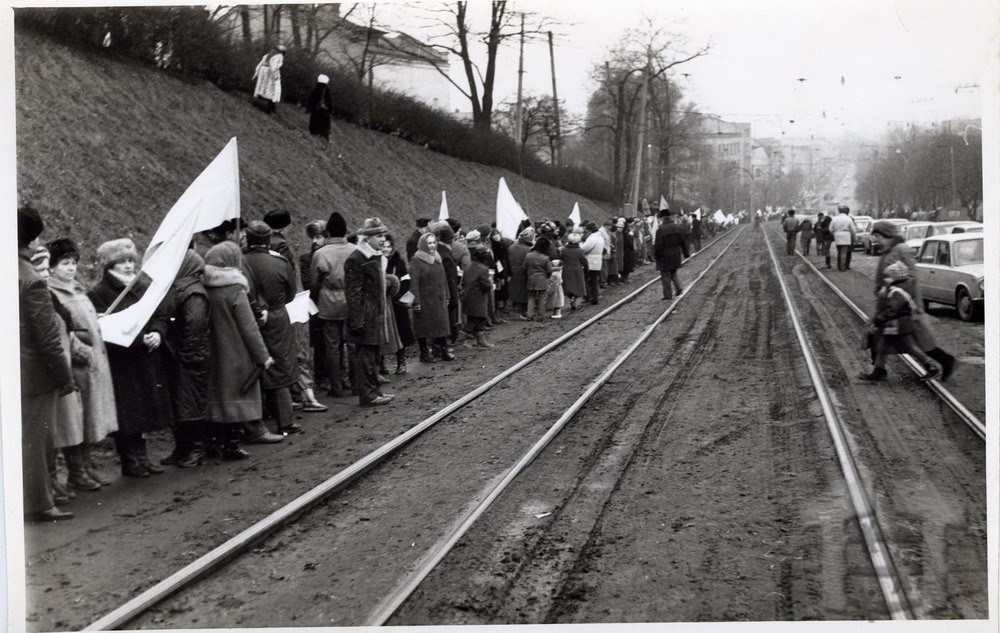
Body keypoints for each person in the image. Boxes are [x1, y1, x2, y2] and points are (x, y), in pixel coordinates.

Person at [88, 238, 175, 478]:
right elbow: (106, 328)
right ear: (108, 266)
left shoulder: (142, 287)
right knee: (128, 413)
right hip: (123, 361)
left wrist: (158, 332)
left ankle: (143, 457)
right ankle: (129, 460)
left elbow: (158, 313)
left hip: (146, 357)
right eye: (121, 262)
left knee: (145, 410)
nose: (128, 266)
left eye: (129, 261)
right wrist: (139, 339)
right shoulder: (99, 293)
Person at [19, 206, 76, 521]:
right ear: (31, 240)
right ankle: (40, 503)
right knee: (37, 439)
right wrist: (64, 377)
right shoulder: (31, 280)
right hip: (33, 374)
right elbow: (48, 338)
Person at [46, 238, 117, 487]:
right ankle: (77, 471)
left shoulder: (77, 289)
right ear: (52, 267)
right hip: (77, 364)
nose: (71, 268)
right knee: (74, 421)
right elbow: (62, 330)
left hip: (92, 364)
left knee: (89, 419)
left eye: (74, 262)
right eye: (65, 263)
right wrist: (82, 352)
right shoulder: (53, 293)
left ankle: (85, 467)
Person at [203, 242, 277, 459]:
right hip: (238, 353)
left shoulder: (206, 287)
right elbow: (249, 328)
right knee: (238, 399)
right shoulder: (235, 289)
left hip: (215, 353)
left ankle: (216, 443)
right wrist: (263, 356)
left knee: (219, 398)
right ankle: (232, 445)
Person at [870, 220, 956, 380]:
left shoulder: (901, 249)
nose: (875, 240)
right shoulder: (888, 250)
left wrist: (913, 303)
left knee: (921, 342)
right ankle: (878, 370)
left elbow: (912, 277)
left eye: (878, 236)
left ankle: (945, 361)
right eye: (874, 236)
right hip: (890, 302)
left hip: (904, 304)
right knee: (885, 338)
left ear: (887, 235)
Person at [243, 221, 302, 435]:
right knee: (280, 365)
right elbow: (291, 294)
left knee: (251, 365)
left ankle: (255, 418)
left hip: (246, 317)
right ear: (269, 239)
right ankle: (285, 420)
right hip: (277, 316)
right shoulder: (279, 262)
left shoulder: (240, 262)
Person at [159, 249, 212, 468]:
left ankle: (196, 449)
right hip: (180, 355)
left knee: (190, 404)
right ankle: (182, 447)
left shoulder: (193, 294)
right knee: (180, 404)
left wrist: (186, 356)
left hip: (189, 358)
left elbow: (195, 327)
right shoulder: (181, 288)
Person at [860, 262, 939, 382]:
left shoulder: (896, 292)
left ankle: (931, 366)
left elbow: (892, 309)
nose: (885, 279)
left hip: (899, 325)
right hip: (896, 326)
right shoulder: (897, 290)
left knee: (909, 347)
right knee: (883, 348)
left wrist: (878, 320)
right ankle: (878, 371)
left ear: (893, 277)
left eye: (887, 277)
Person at [345, 218, 395, 406]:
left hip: (376, 314)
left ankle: (375, 391)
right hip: (365, 316)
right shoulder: (357, 259)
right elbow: (353, 293)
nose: (383, 240)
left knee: (374, 355)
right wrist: (357, 320)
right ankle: (367, 395)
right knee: (365, 356)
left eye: (383, 236)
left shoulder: (375, 257)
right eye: (378, 236)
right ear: (367, 238)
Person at [311, 211, 357, 397]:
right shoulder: (354, 250)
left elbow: (314, 282)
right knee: (353, 345)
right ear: (345, 231)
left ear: (328, 232)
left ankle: (336, 386)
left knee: (332, 346)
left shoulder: (320, 253)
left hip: (329, 304)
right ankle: (355, 384)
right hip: (351, 302)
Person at [410, 232, 453, 363]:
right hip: (425, 300)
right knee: (424, 326)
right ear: (423, 244)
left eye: (434, 242)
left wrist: (447, 294)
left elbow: (443, 279)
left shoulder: (437, 258)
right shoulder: (417, 260)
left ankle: (442, 350)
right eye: (429, 243)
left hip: (438, 298)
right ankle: (424, 353)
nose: (432, 246)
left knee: (441, 324)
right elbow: (414, 283)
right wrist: (416, 301)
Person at [382, 234, 415, 374]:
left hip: (396, 303)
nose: (386, 249)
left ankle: (401, 361)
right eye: (383, 246)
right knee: (383, 333)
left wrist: (397, 294)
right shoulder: (377, 261)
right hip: (383, 303)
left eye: (389, 247)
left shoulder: (399, 262)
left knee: (399, 332)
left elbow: (406, 281)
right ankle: (381, 364)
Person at [431, 220, 461, 347]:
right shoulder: (446, 255)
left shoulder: (439, 251)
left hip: (440, 293)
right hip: (448, 293)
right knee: (449, 318)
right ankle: (445, 345)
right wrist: (454, 298)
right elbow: (451, 280)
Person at [653, 208, 690, 300]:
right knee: (673, 272)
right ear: (670, 217)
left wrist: (656, 256)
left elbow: (658, 245)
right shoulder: (677, 227)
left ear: (662, 218)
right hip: (676, 253)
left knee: (665, 275)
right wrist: (686, 253)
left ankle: (668, 295)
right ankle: (679, 288)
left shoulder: (660, 230)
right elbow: (683, 241)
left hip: (665, 254)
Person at [462, 246, 495, 347]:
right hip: (478, 297)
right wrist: (490, 283)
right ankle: (467, 339)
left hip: (468, 297)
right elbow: (486, 285)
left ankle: (475, 340)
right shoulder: (483, 269)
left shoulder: (469, 267)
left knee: (472, 318)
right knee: (480, 319)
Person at [524, 236, 553, 321]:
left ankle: (529, 315)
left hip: (531, 278)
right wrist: (547, 276)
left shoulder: (528, 255)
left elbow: (524, 267)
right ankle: (541, 316)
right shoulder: (545, 258)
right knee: (542, 297)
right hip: (542, 280)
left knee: (531, 297)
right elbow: (550, 270)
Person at [507, 227, 533, 319]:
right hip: (523, 272)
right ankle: (521, 312)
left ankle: (517, 311)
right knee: (523, 293)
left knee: (515, 292)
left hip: (513, 272)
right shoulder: (529, 249)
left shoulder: (511, 247)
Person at [252, 44, 285, 114]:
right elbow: (274, 67)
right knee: (273, 89)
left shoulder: (268, 55)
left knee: (263, 87)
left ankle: (271, 106)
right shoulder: (279, 56)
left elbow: (260, 64)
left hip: (263, 70)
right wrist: (276, 76)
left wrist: (256, 72)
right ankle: (269, 108)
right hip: (269, 72)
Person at [560, 231, 587, 310]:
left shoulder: (564, 250)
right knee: (577, 286)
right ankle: (574, 300)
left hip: (566, 269)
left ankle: (569, 299)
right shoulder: (580, 251)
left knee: (568, 286)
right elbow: (584, 261)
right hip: (577, 270)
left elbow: (561, 258)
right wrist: (586, 268)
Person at [581, 222, 605, 305]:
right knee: (594, 280)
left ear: (590, 230)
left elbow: (584, 248)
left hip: (590, 261)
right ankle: (595, 298)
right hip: (597, 261)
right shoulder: (600, 237)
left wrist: (580, 245)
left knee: (586, 280)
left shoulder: (592, 238)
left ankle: (589, 297)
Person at [305, 74, 333, 142]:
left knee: (314, 121)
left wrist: (308, 108)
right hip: (324, 110)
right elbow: (329, 101)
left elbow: (310, 99)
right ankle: (325, 137)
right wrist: (331, 109)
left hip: (315, 109)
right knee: (325, 123)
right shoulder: (326, 90)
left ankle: (313, 132)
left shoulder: (315, 89)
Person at [829, 205, 857, 271]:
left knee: (839, 251)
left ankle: (839, 265)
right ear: (845, 211)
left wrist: (834, 234)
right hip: (846, 235)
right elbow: (853, 230)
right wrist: (854, 238)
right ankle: (842, 267)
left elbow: (830, 229)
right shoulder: (848, 219)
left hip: (837, 235)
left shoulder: (834, 218)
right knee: (844, 252)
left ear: (839, 211)